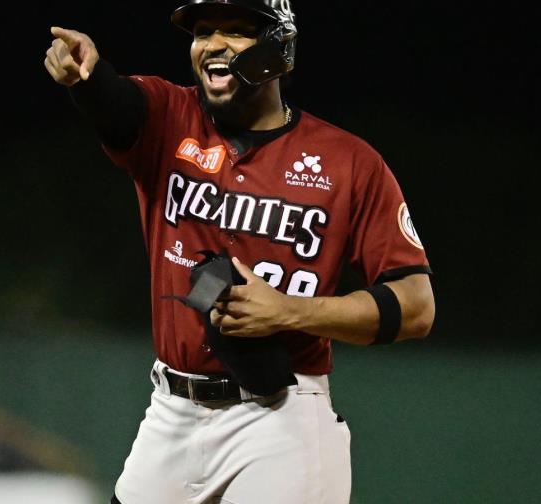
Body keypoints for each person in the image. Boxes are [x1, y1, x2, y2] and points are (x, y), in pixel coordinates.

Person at [46, 1, 434, 502]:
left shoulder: (348, 162)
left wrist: (288, 312)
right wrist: (87, 77)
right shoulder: (170, 117)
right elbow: (117, 106)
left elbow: (417, 306)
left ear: (279, 48)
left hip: (282, 418)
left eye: (236, 30)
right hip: (171, 409)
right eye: (203, 32)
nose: (214, 44)